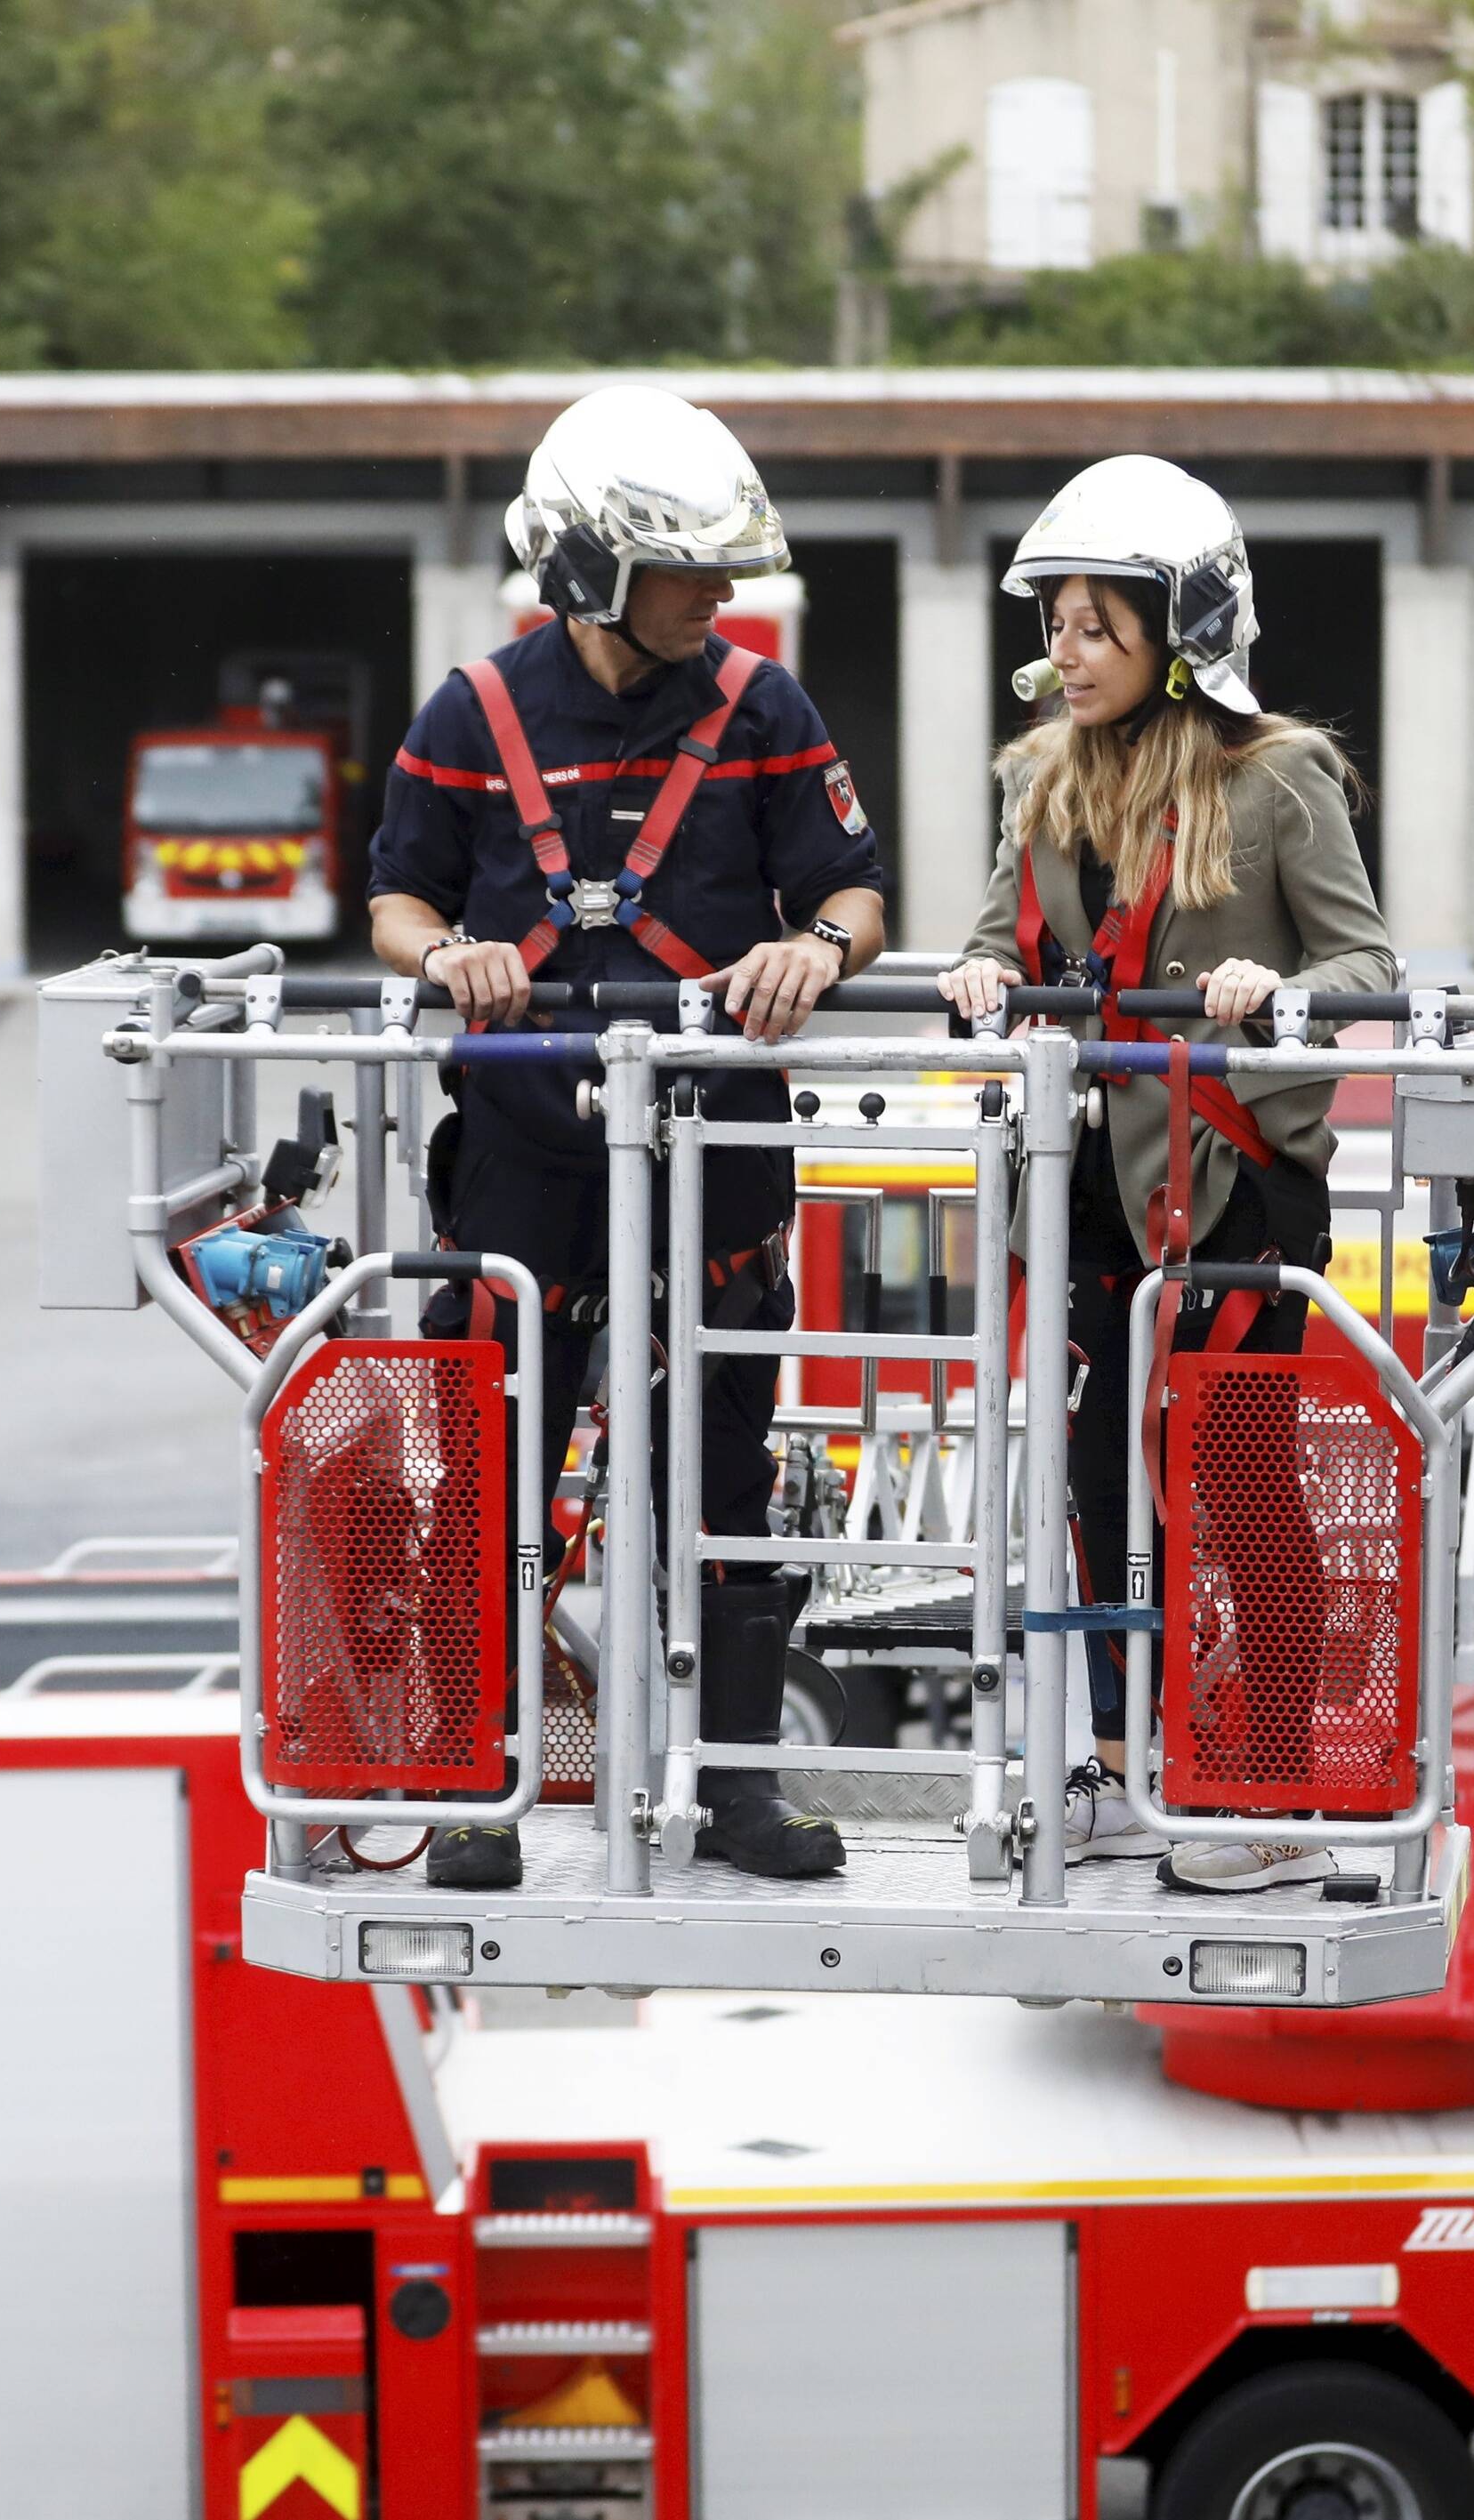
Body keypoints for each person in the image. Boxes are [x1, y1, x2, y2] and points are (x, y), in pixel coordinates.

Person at [368, 385, 890, 1890]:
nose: (725, 596)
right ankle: (480, 1793)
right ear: (594, 565)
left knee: (727, 1471)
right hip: (522, 1160)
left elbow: (853, 888)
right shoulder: (474, 710)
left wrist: (827, 955)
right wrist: (439, 957)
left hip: (716, 1146)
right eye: (694, 569)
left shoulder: (762, 710)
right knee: (491, 1472)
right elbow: (398, 896)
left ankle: (733, 1785)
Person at [937, 455, 1396, 1897]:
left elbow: (1370, 963)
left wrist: (1281, 986)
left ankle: (1264, 1787)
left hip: (1235, 1187)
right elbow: (1003, 943)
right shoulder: (1038, 780)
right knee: (1094, 1484)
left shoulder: (1280, 783)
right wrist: (979, 974)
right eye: (1057, 623)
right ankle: (1129, 1772)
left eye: (1094, 626)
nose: (1062, 652)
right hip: (1082, 1184)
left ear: (1180, 638)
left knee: (1244, 1493)